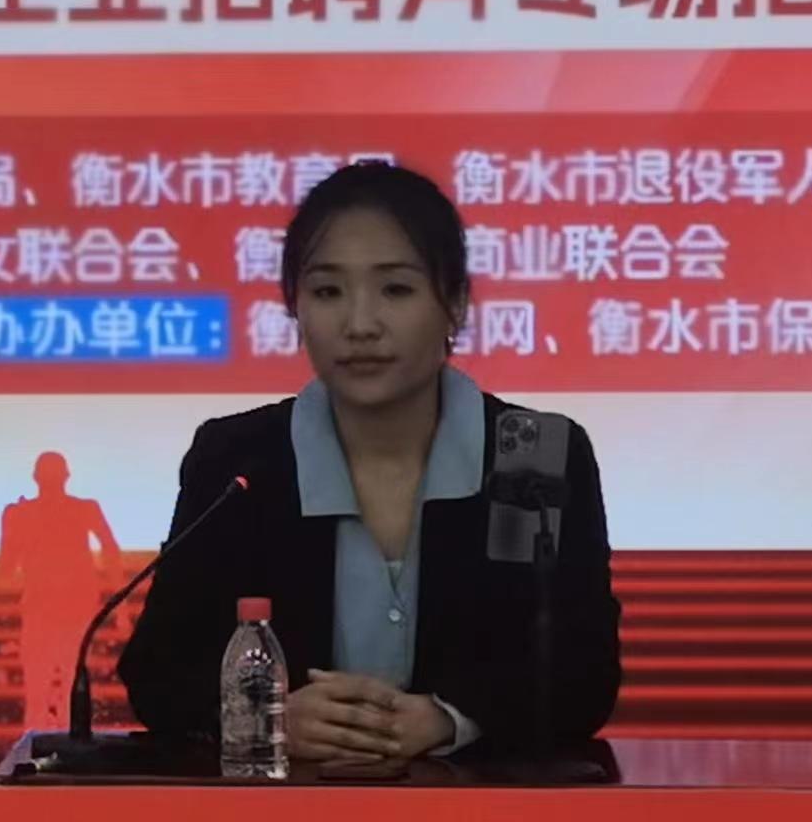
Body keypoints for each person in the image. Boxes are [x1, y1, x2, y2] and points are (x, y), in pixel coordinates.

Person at [119, 161, 619, 773]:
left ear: (455, 303)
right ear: (295, 308)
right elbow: (158, 673)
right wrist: (267, 712)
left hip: (483, 814)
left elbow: (580, 672)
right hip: (281, 818)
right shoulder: (241, 459)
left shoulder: (530, 453)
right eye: (327, 292)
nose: (359, 325)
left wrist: (449, 719)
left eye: (396, 290)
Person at [0, 450, 125, 733]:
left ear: (35, 478)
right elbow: (111, 552)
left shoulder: (23, 513)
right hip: (59, 607)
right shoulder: (81, 509)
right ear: (66, 476)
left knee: (44, 687)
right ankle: (64, 742)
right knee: (64, 683)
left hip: (55, 607)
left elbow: (5, 568)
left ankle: (40, 742)